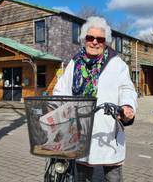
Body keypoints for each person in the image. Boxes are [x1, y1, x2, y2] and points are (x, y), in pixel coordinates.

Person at [53, 16, 137, 182]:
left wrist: (127, 107)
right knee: (81, 174)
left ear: (105, 42)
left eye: (100, 39)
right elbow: (60, 89)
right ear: (84, 39)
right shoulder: (74, 63)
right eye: (91, 38)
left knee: (112, 176)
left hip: (107, 130)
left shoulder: (117, 64)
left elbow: (127, 88)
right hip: (79, 130)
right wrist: (58, 110)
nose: (95, 42)